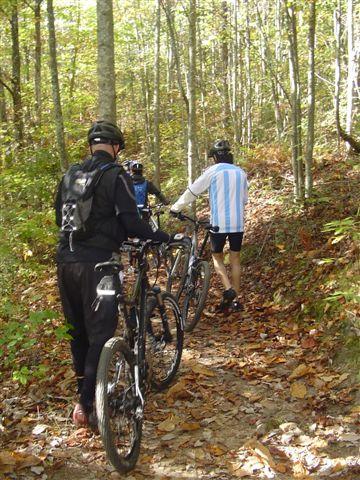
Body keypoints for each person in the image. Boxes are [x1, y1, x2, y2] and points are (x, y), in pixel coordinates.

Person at [55, 120, 171, 427]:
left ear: (91, 146)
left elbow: (59, 217)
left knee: (77, 331)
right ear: (116, 148)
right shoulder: (115, 175)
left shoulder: (70, 174)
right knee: (101, 332)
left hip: (65, 262)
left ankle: (84, 392)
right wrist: (165, 237)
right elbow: (132, 223)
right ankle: (86, 404)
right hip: (100, 266)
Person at [170, 139, 248, 312]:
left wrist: (176, 208)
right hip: (238, 223)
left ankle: (228, 289)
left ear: (214, 158)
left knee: (217, 257)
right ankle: (236, 299)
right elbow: (244, 200)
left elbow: (193, 191)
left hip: (218, 224)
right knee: (235, 259)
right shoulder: (241, 173)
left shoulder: (212, 171)